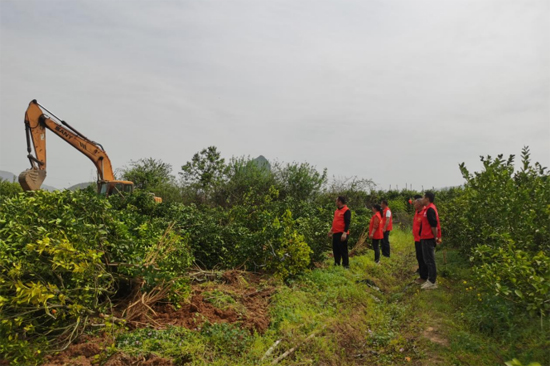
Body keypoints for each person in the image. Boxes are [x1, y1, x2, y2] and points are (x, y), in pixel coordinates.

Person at [420, 191, 442, 290]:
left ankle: (432, 281)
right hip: (425, 237)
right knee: (427, 259)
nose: (422, 199)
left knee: (430, 260)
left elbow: (434, 225)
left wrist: (435, 237)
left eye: (423, 197)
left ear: (428, 199)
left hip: (429, 238)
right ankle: (430, 279)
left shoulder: (430, 210)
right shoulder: (427, 209)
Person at [328, 196, 351, 268]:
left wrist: (344, 233)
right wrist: (331, 230)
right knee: (336, 249)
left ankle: (345, 265)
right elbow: (335, 222)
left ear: (340, 202)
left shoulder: (346, 210)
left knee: (343, 250)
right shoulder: (336, 211)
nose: (335, 202)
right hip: (336, 233)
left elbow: (347, 223)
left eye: (336, 201)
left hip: (342, 233)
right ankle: (337, 263)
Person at [413, 196, 428, 284]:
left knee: (423, 258)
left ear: (419, 204)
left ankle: (424, 277)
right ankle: (422, 274)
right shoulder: (417, 212)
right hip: (417, 239)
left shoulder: (424, 213)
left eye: (415, 203)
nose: (414, 204)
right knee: (419, 257)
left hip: (422, 239)